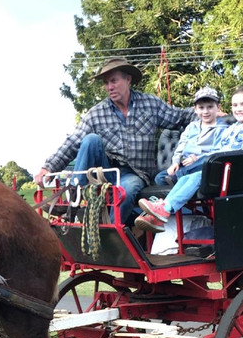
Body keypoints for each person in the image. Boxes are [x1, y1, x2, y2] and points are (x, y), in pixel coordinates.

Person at [34, 57, 194, 223]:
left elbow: (180, 117)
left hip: (135, 173)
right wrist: (48, 167)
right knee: (90, 140)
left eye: (114, 81)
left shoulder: (150, 104)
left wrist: (210, 113)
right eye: (106, 83)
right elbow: (73, 141)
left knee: (127, 188)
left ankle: (110, 237)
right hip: (105, 170)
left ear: (128, 79)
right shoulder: (97, 113)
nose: (109, 87)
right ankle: (73, 200)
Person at [135, 86, 243, 233]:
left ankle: (163, 209)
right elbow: (215, 150)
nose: (238, 109)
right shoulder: (233, 127)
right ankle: (162, 210)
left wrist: (204, 159)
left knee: (194, 174)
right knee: (191, 178)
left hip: (236, 170)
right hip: (219, 166)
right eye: (235, 105)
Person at [152, 86, 229, 188]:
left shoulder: (222, 128)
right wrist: (175, 163)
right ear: (195, 110)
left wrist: (197, 158)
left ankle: (179, 177)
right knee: (160, 178)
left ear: (218, 108)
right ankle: (181, 186)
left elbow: (218, 151)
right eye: (201, 108)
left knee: (207, 162)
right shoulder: (191, 126)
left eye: (210, 107)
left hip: (204, 165)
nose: (205, 111)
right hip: (186, 164)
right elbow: (181, 146)